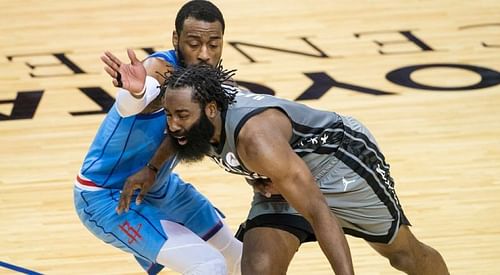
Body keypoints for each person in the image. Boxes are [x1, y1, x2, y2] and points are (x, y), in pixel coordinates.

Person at [157, 64, 450, 275]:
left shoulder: (257, 141)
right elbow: (176, 138)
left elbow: (318, 210)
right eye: (169, 114)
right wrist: (150, 169)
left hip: (339, 160)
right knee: (259, 268)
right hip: (281, 175)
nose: (173, 124)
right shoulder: (194, 124)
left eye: (181, 115)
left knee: (402, 255)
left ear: (210, 109)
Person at [73, 1, 241, 275]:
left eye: (214, 44)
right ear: (176, 39)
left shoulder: (214, 83)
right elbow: (137, 101)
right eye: (194, 43)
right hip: (107, 195)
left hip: (160, 184)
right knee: (208, 264)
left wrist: (152, 167)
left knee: (239, 257)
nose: (204, 54)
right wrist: (136, 93)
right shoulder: (159, 69)